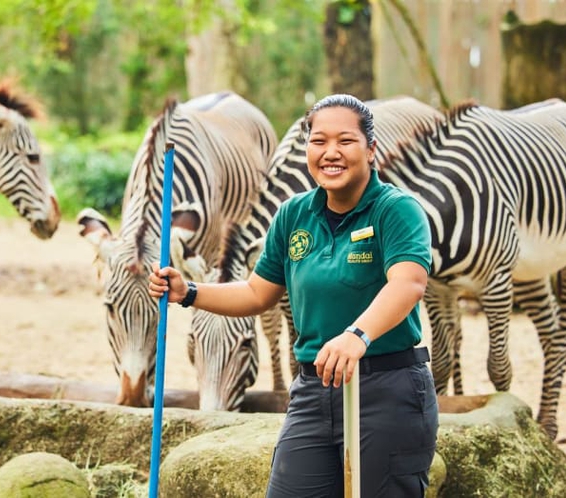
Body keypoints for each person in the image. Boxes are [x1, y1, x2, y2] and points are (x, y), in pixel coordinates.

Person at [148, 94, 439, 497]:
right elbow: (256, 293)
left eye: (345, 141)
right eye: (318, 141)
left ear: (371, 150)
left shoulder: (396, 210)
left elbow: (407, 283)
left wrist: (357, 336)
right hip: (313, 394)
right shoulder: (293, 215)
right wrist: (189, 292)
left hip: (386, 391)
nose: (330, 153)